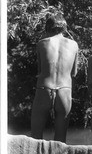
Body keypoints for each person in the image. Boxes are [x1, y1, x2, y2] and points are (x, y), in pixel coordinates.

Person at [31, 13, 78, 142]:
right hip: (64, 90)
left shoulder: (41, 44)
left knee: (35, 138)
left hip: (44, 88)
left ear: (48, 28)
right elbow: (73, 73)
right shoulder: (74, 45)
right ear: (64, 28)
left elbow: (40, 70)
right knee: (61, 140)